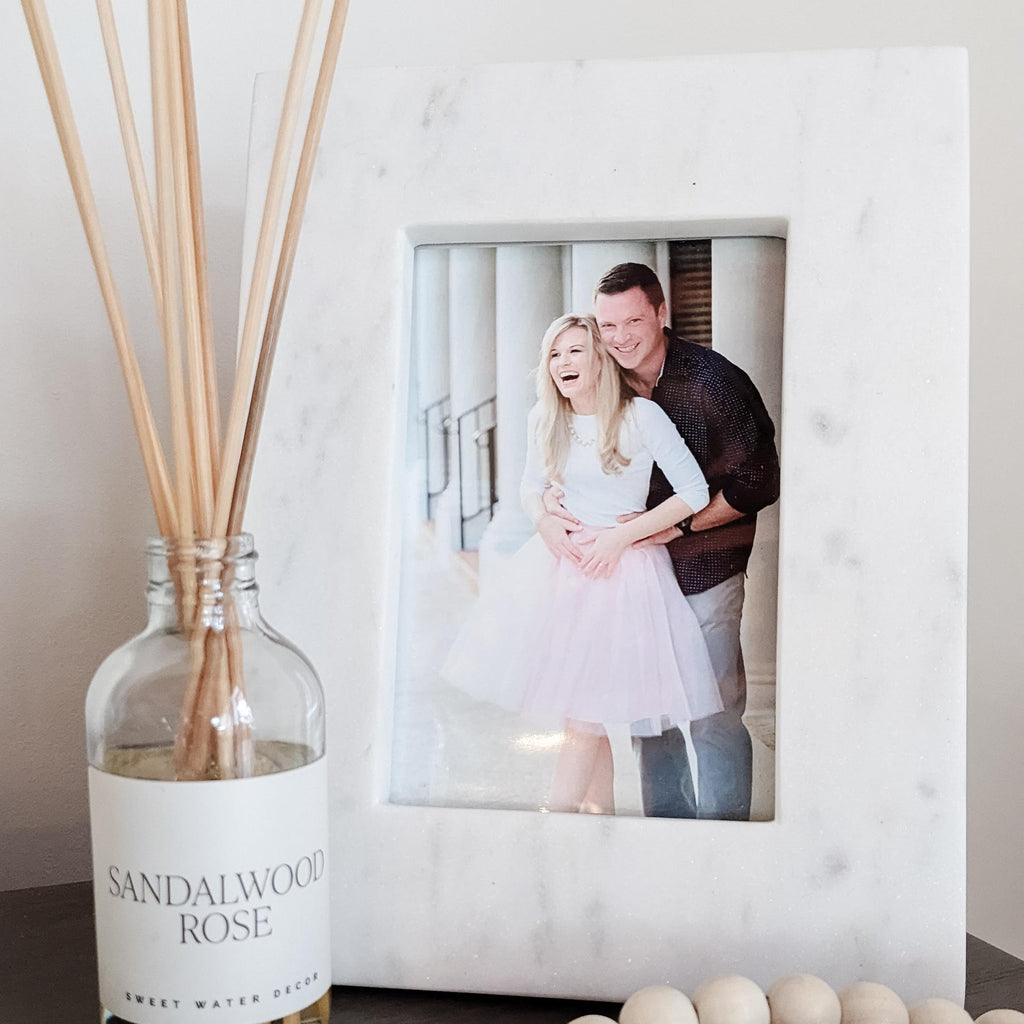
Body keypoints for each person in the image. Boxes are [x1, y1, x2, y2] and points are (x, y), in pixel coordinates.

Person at [442, 314, 723, 815]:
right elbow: (530, 489)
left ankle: (557, 816)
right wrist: (545, 521)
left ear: (599, 358)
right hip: (563, 570)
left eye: (574, 351)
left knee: (583, 719)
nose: (562, 363)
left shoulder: (642, 417)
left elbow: (694, 493)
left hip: (624, 573)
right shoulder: (544, 418)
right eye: (553, 354)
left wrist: (622, 537)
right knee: (583, 712)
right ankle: (599, 818)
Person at [543, 263, 780, 820]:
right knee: (649, 709)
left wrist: (684, 526)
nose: (620, 336)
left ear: (660, 313)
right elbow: (573, 454)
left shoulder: (712, 382)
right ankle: (668, 831)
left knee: (712, 710)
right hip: (632, 572)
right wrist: (550, 507)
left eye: (633, 320)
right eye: (607, 325)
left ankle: (722, 837)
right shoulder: (605, 376)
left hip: (704, 564)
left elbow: (761, 478)